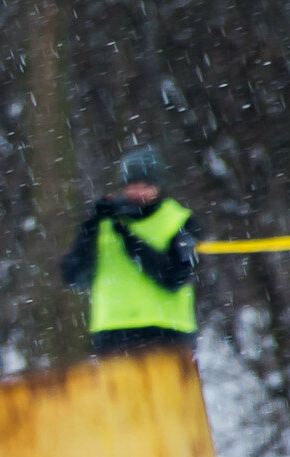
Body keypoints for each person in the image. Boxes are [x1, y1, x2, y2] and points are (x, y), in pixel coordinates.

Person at [61, 147, 202, 357]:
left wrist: (127, 236)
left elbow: (174, 276)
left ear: (159, 187)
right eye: (131, 186)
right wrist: (91, 225)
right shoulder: (103, 223)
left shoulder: (179, 220)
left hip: (168, 333)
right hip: (112, 335)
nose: (138, 193)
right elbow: (73, 277)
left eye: (146, 186)